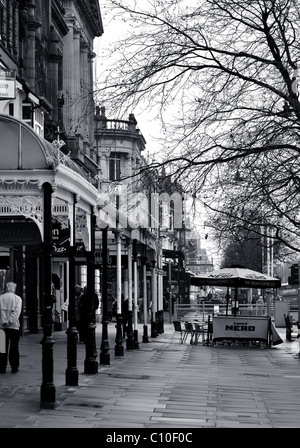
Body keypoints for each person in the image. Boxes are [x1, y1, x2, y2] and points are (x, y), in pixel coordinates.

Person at [0, 282, 22, 374]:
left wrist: (4, 322)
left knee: (2, 348)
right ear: (14, 289)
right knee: (14, 347)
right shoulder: (17, 299)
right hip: (14, 327)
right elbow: (17, 313)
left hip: (2, 327)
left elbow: (1, 312)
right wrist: (10, 321)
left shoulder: (1, 298)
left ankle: (2, 367)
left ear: (7, 288)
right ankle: (14, 367)